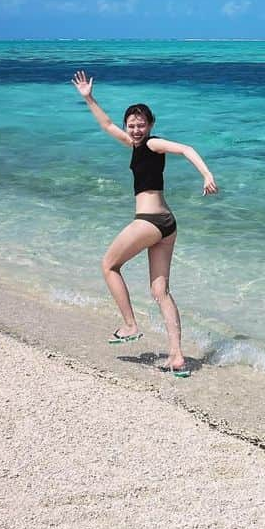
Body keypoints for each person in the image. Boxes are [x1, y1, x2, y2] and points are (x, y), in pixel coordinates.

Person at [71, 70, 217, 377]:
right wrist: (89, 98)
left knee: (109, 266)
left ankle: (130, 324)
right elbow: (106, 124)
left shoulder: (153, 144)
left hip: (150, 221)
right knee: (160, 291)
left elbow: (186, 149)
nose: (136, 130)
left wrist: (206, 174)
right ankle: (177, 356)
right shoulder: (134, 145)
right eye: (132, 125)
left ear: (150, 126)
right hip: (167, 224)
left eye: (141, 125)